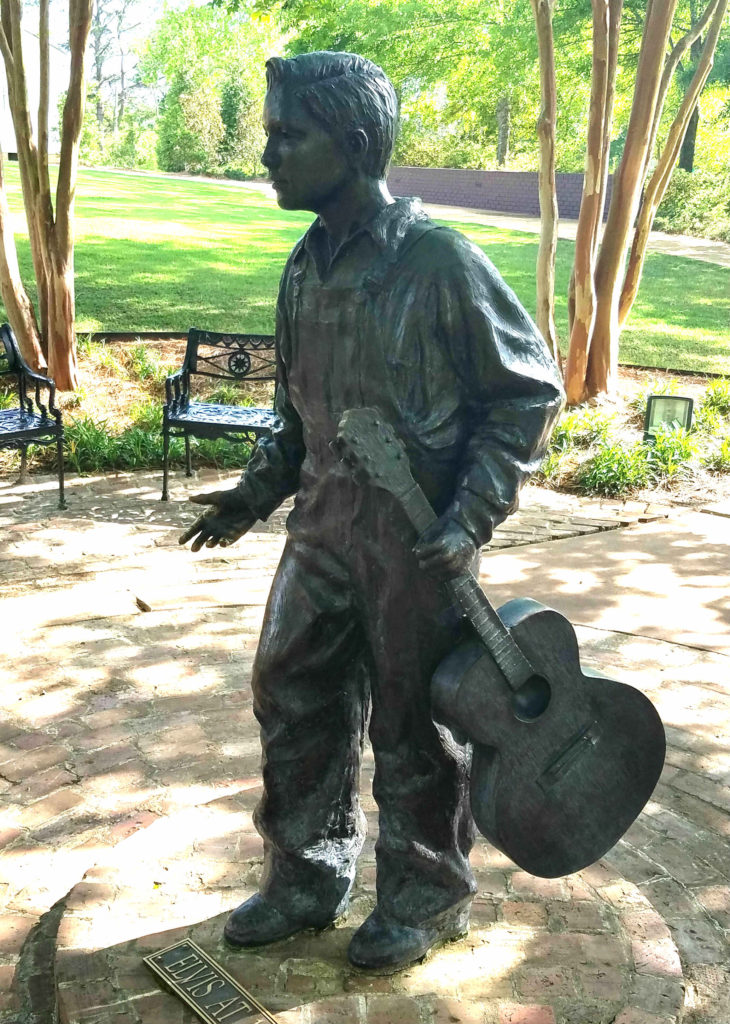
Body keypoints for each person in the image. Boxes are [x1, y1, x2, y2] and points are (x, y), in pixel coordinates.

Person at [180, 51, 564, 973]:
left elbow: (527, 394)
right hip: (320, 533)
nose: (268, 154)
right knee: (292, 691)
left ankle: (426, 894)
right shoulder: (304, 267)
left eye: (287, 136)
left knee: (411, 721)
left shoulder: (439, 261)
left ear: (351, 147)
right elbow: (298, 415)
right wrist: (252, 492)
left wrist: (469, 516)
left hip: (413, 543)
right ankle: (305, 877)